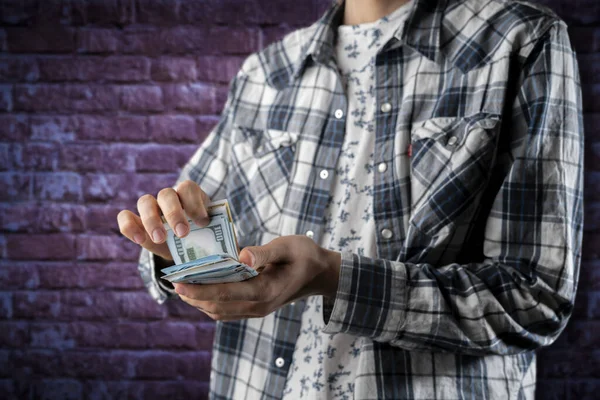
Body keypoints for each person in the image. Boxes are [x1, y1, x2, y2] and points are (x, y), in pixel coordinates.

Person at [117, 0, 583, 398]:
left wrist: (335, 280)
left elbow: (535, 298)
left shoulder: (519, 41)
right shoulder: (265, 73)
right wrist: (175, 246)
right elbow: (168, 253)